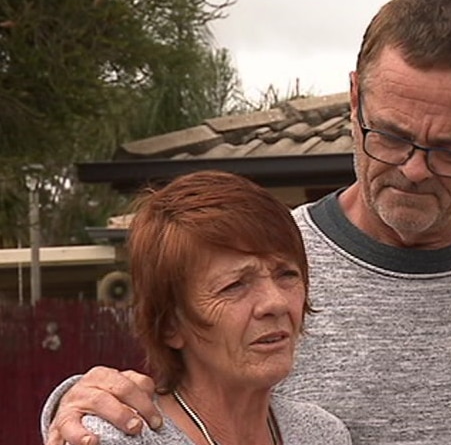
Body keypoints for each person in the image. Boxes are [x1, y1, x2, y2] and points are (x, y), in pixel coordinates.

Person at [43, 0, 451, 445]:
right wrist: (75, 405)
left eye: (450, 148)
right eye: (390, 137)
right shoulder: (270, 259)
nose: (415, 169)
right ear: (354, 99)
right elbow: (156, 398)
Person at [41, 170, 352, 445]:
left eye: (287, 274)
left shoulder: (322, 434)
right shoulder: (122, 437)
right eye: (235, 285)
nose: (276, 302)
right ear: (169, 325)